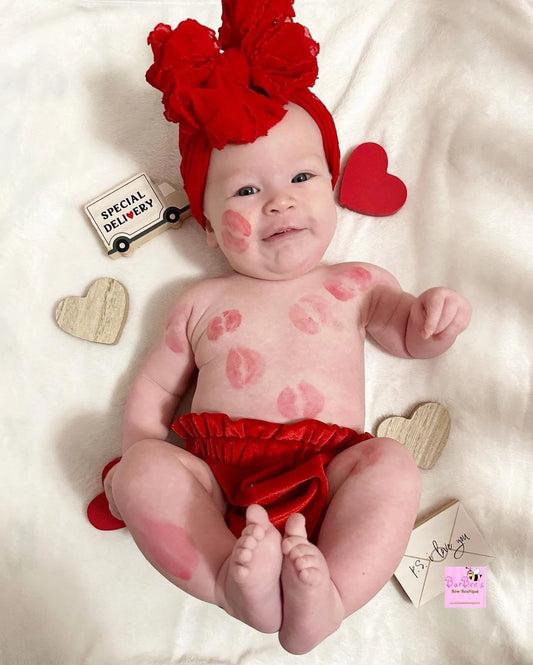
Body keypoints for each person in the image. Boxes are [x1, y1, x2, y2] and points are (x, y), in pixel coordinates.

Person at [95, 1, 471, 654]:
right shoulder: (200, 299)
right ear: (209, 226)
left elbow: (402, 331)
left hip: (331, 467)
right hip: (214, 482)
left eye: (302, 176)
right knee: (137, 476)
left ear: (331, 186)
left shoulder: (356, 281)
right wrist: (141, 455)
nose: (279, 200)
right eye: (244, 191)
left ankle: (330, 597)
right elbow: (157, 389)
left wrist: (431, 319)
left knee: (390, 465)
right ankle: (226, 582)